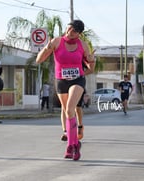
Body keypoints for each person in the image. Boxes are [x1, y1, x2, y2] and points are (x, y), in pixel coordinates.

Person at [36, 19, 95, 161]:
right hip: (61, 81)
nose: (70, 32)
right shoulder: (57, 41)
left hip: (77, 80)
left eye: (74, 31)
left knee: (70, 109)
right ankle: (73, 144)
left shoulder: (83, 45)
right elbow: (39, 60)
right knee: (67, 111)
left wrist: (91, 60)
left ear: (79, 34)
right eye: (69, 28)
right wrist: (46, 47)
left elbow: (90, 68)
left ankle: (72, 146)